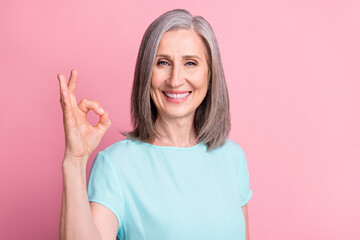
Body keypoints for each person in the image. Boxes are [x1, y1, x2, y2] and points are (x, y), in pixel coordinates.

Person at [58, 9, 253, 240]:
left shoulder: (232, 158)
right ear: (146, 73)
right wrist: (75, 160)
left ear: (210, 75)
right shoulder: (115, 166)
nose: (175, 79)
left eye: (190, 63)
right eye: (162, 62)